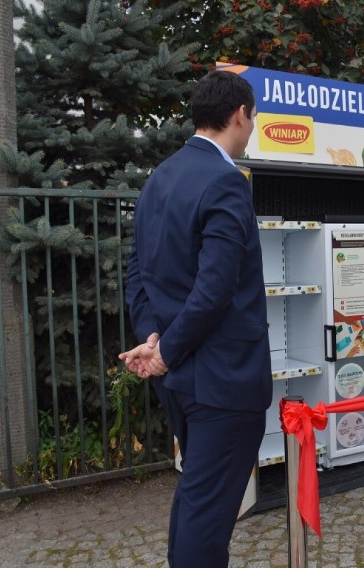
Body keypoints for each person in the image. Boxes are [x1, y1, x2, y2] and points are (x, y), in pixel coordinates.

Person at [119, 70, 271, 568]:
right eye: (253, 118)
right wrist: (164, 349)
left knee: (195, 496)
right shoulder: (226, 180)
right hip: (223, 380)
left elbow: (136, 271)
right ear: (238, 115)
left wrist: (154, 338)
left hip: (183, 379)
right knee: (206, 513)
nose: (251, 128)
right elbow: (216, 288)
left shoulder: (159, 177)